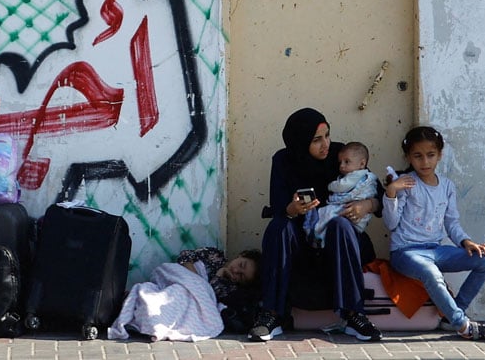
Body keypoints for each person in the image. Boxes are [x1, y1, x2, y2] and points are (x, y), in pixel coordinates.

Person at [248, 107, 382, 343]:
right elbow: (278, 205)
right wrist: (293, 209)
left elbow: (373, 188)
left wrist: (367, 205)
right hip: (301, 240)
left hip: (338, 240)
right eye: (317, 140)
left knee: (340, 225)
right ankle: (271, 315)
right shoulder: (284, 160)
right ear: (300, 141)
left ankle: (354, 315)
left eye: (327, 135)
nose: (326, 144)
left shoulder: (341, 155)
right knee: (279, 227)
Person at [382, 126, 485, 342]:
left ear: (439, 155)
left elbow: (451, 222)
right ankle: (463, 325)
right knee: (431, 273)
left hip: (435, 250)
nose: (425, 162)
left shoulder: (447, 186)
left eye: (430, 155)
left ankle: (453, 314)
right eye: (417, 156)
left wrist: (466, 241)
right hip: (406, 252)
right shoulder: (407, 184)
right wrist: (392, 191)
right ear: (408, 157)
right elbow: (391, 224)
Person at [107, 247, 261, 342]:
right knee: (176, 292)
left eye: (241, 276)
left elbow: (206, 299)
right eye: (241, 265)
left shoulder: (229, 288)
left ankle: (146, 315)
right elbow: (185, 256)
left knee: (178, 296)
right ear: (241, 255)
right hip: (179, 278)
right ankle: (141, 308)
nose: (236, 271)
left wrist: (220, 275)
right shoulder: (215, 255)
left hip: (189, 297)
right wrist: (196, 281)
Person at [305, 141, 379, 246]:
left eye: (346, 162)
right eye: (317, 139)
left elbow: (342, 185)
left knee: (327, 215)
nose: (341, 166)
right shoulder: (284, 161)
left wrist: (369, 204)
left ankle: (316, 235)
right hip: (350, 225)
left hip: (351, 219)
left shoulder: (357, 175)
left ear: (362, 164)